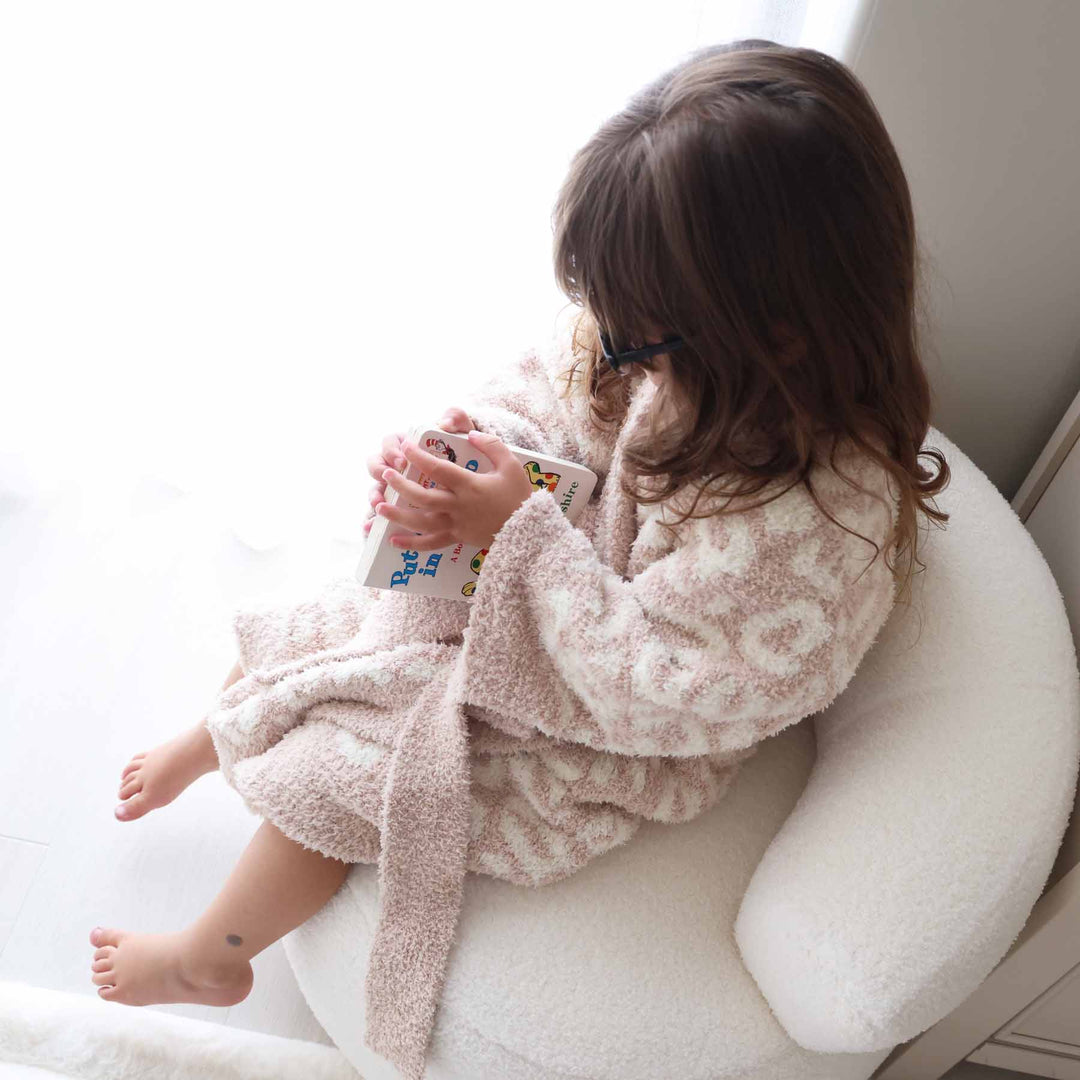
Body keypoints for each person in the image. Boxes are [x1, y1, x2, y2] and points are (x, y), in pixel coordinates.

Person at [88, 36, 949, 1075]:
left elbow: (660, 692)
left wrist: (519, 536)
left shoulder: (815, 537)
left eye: (640, 335)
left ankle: (209, 953)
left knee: (350, 780)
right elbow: (550, 385)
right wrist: (462, 463)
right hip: (557, 569)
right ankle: (227, 728)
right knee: (344, 614)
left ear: (775, 333)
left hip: (602, 718)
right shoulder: (662, 338)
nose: (613, 343)